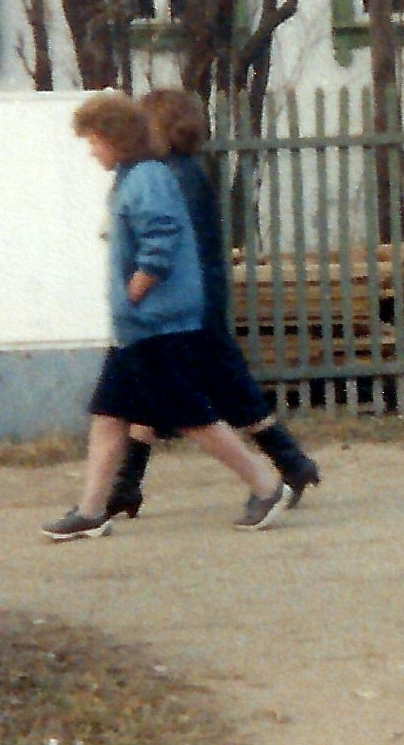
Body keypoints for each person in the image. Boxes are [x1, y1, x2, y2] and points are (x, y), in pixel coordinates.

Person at [41, 93, 291, 540]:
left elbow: (162, 237)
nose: (91, 150)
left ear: (116, 139)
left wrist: (138, 287)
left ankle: (267, 485)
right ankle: (91, 510)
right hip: (139, 327)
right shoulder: (134, 177)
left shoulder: (147, 179)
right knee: (108, 414)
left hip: (157, 325)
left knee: (194, 418)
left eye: (95, 141)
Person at [101, 87, 325, 520]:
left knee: (210, 394)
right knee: (163, 392)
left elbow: (168, 246)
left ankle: (287, 468)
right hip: (194, 302)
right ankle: (127, 484)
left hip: (187, 308)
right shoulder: (178, 172)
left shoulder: (171, 177)